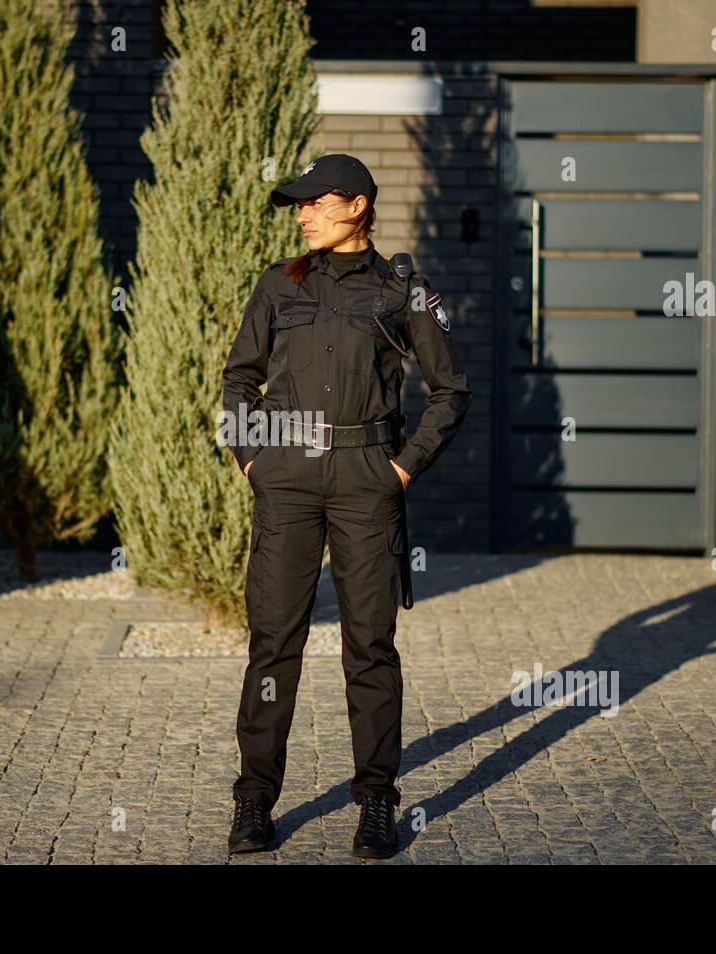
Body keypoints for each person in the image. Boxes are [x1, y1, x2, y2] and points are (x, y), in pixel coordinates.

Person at [221, 153, 472, 859]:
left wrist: (401, 469)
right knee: (274, 642)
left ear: (357, 205)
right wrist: (251, 462)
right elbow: (238, 378)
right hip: (287, 479)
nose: (301, 213)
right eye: (296, 205)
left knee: (369, 646)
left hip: (367, 479)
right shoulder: (278, 284)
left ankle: (376, 801)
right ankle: (254, 800)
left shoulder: (402, 292)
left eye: (313, 202)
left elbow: (451, 390)